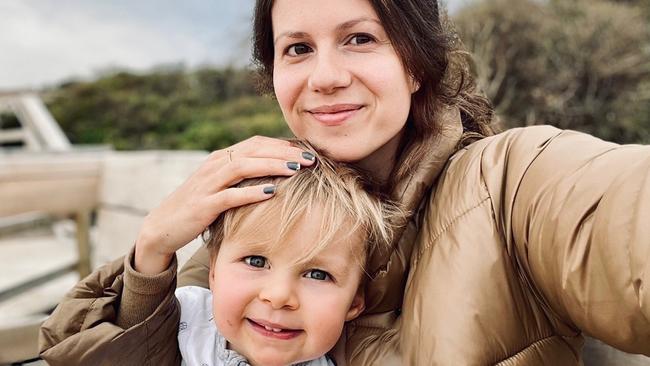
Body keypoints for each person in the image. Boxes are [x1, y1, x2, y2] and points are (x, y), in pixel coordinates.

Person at [40, 0, 650, 364]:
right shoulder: (264, 209)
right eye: (297, 48)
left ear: (415, 63)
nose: (325, 76)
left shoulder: (517, 179)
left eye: (359, 39)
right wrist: (151, 256)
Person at [176, 145, 402, 366]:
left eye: (317, 274)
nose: (278, 296)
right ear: (213, 270)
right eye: (256, 261)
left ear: (354, 302)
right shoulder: (180, 315)